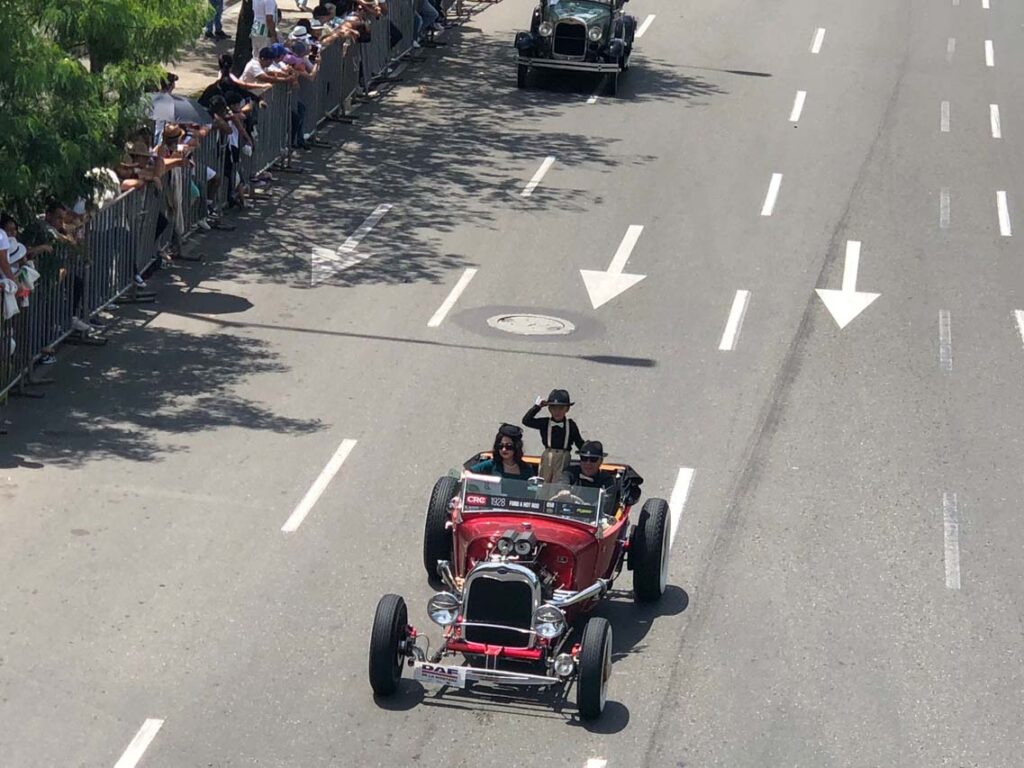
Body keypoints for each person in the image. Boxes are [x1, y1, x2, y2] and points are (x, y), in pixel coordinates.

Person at [522, 388, 585, 481]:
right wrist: (537, 407)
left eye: (561, 408)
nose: (557, 412)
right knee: (543, 484)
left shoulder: (571, 425)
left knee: (559, 484)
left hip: (564, 457)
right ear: (549, 409)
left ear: (567, 409)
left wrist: (587, 457)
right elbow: (526, 421)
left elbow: (579, 442)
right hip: (548, 456)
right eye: (553, 408)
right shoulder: (545, 423)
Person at [469, 425, 536, 480]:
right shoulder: (492, 464)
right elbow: (468, 472)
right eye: (500, 446)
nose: (504, 449)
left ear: (516, 447)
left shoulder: (527, 469)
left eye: (509, 446)